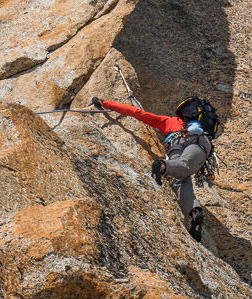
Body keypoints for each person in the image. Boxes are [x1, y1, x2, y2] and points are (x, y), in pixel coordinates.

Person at [90, 96, 211, 242]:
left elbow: (136, 112)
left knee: (182, 169)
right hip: (202, 144)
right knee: (181, 177)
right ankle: (194, 212)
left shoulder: (169, 121)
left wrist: (104, 103)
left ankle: (162, 166)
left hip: (178, 142)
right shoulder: (201, 127)